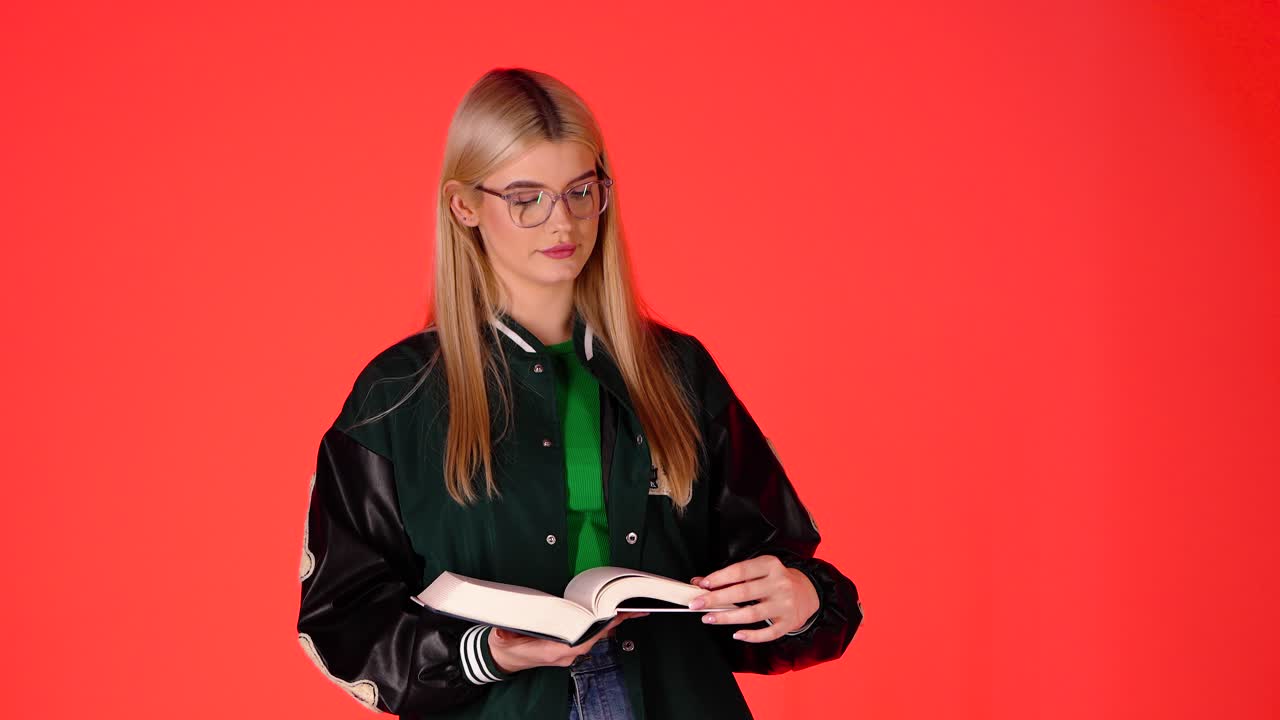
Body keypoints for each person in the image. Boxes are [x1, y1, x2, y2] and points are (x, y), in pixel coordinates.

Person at [296, 67, 863, 720]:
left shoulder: (679, 371)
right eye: (526, 197)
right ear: (465, 205)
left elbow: (777, 575)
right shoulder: (397, 394)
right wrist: (487, 651)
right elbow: (339, 617)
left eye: (579, 191)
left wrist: (800, 596)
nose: (560, 220)